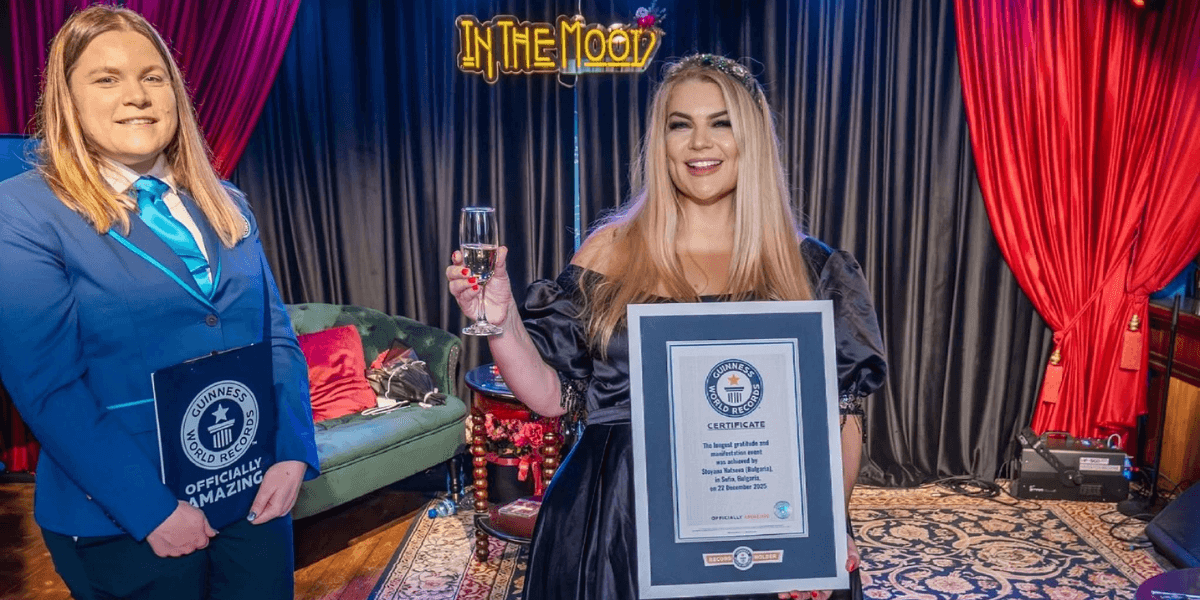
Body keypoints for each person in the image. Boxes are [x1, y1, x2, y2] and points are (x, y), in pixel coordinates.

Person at [447, 54, 886, 600]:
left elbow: (840, 422)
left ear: (750, 139)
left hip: (757, 522)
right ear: (662, 142)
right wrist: (502, 315)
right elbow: (552, 397)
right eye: (681, 124)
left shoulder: (812, 270)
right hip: (616, 526)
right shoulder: (609, 253)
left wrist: (820, 534)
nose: (699, 142)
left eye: (720, 122)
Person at [0, 6, 319, 600]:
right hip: (126, 521)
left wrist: (292, 452)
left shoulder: (227, 201)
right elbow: (48, 388)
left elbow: (277, 338)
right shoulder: (21, 212)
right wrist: (150, 510)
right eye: (107, 78)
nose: (137, 96)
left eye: (153, 77)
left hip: (252, 496)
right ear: (67, 98)